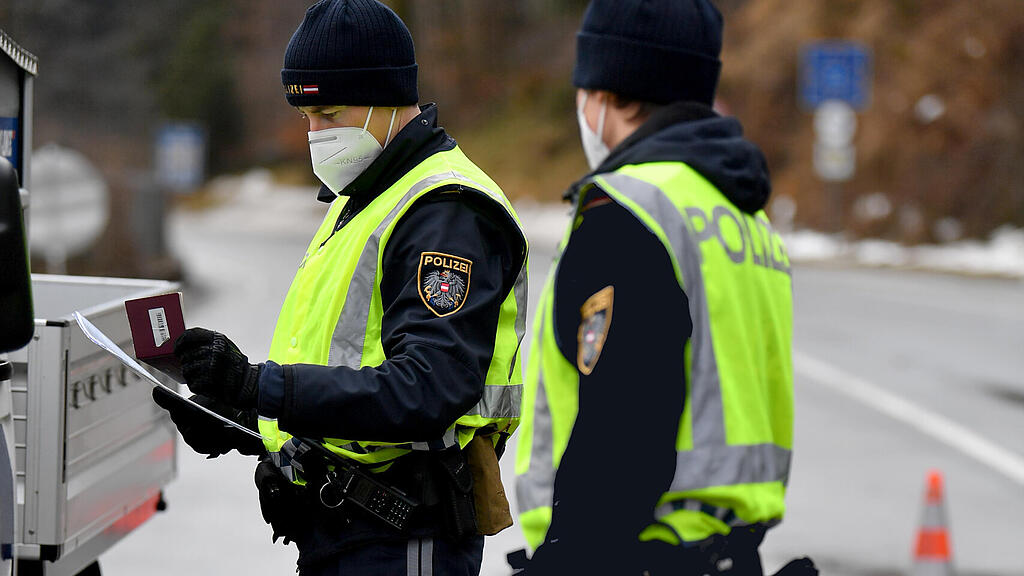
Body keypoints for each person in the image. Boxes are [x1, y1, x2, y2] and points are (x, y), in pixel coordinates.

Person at [152, 1, 529, 574]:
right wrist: (241, 418)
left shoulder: (445, 212)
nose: (315, 134)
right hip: (348, 536)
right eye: (306, 116)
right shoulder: (364, 198)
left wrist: (259, 385)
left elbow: (426, 391)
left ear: (389, 99)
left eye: (329, 112)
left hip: (404, 539)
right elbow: (349, 375)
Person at [513, 1, 814, 574]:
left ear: (613, 94)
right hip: (729, 551)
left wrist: (566, 560)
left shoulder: (629, 212)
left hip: (633, 555)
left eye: (584, 88)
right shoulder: (744, 216)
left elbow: (621, 431)